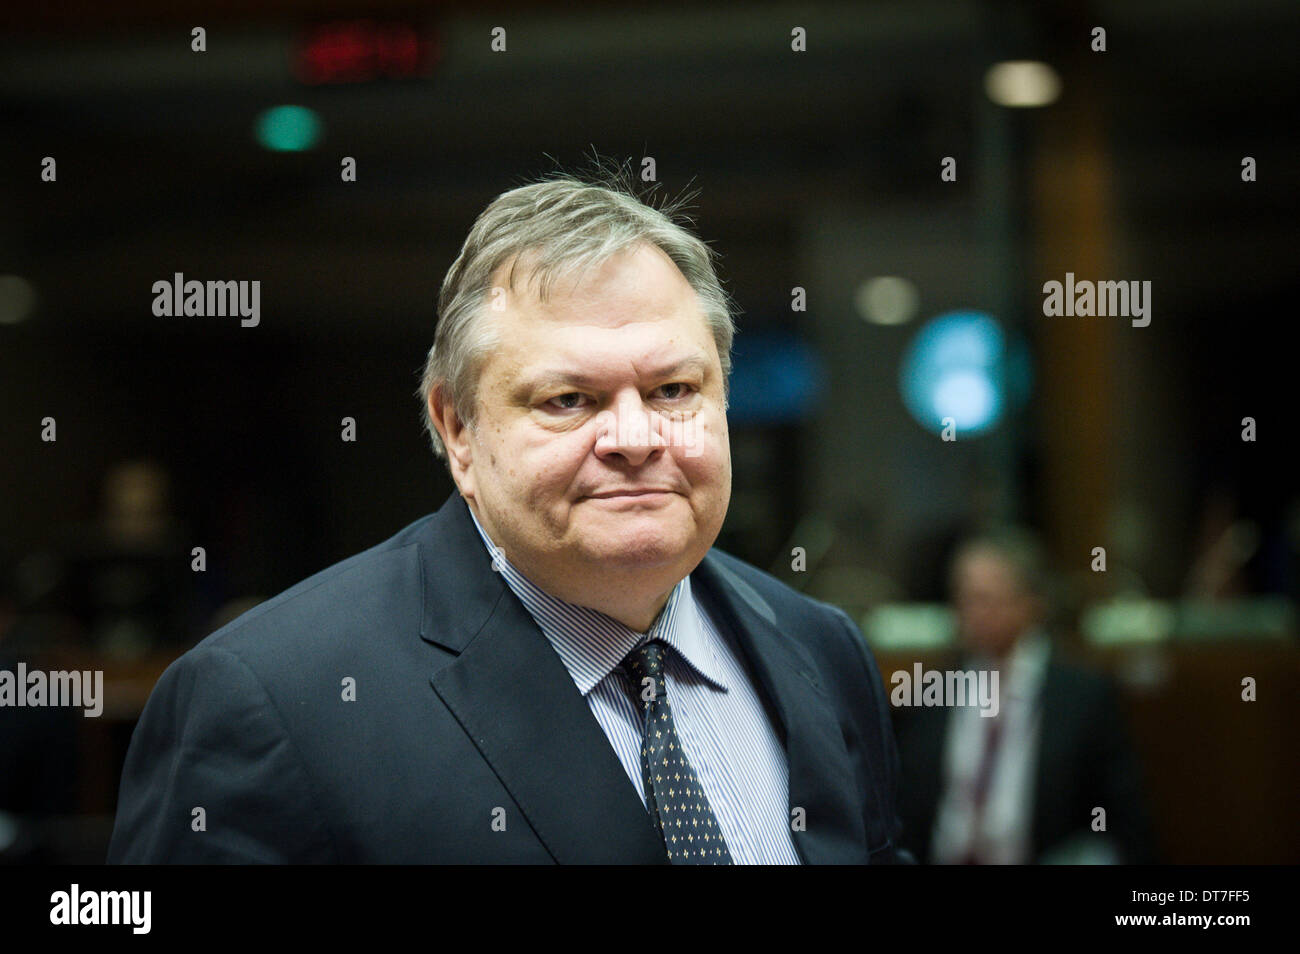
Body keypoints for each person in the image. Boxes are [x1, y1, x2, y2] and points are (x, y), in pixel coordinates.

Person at [107, 166, 908, 864]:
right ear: (456, 427)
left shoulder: (818, 651)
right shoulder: (269, 702)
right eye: (568, 400)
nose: (635, 439)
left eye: (673, 390)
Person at [895, 528, 1158, 864]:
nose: (973, 613)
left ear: (1031, 602)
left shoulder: (1082, 697)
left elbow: (1125, 821)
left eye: (986, 598)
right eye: (964, 598)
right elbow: (902, 805)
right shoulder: (932, 691)